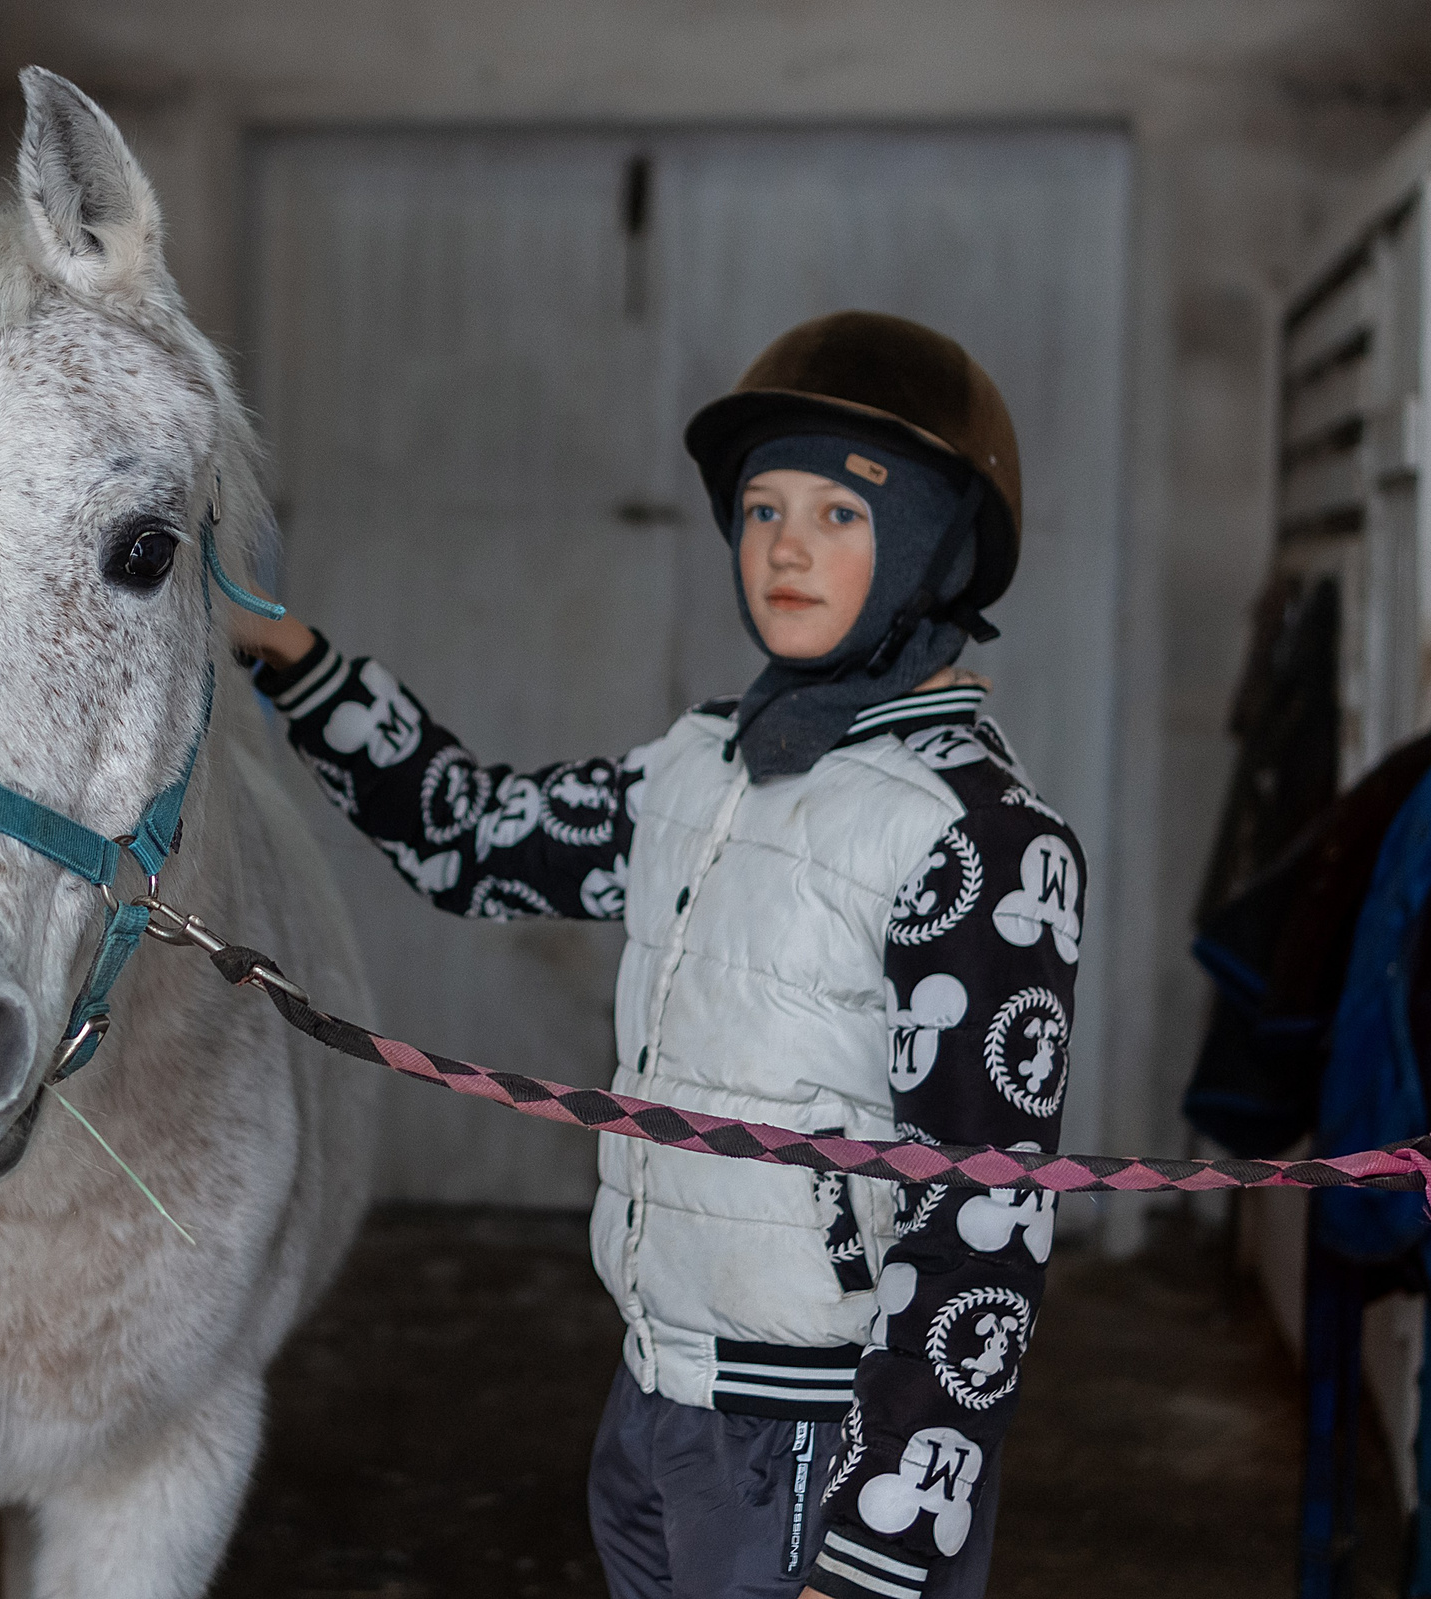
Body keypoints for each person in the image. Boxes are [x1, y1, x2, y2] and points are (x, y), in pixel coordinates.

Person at [231, 311, 1083, 1599]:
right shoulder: (699, 769)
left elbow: (983, 1224)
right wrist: (292, 661)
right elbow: (473, 836)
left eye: (841, 516)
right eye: (760, 510)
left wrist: (883, 1548)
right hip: (656, 1399)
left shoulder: (979, 839)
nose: (785, 547)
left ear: (934, 543)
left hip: (819, 1443)